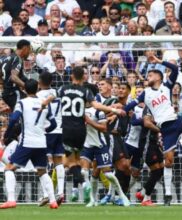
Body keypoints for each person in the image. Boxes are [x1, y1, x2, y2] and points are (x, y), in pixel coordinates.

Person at [41, 66, 124, 201]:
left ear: (72, 76)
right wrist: (114, 110)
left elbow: (50, 98)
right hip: (81, 130)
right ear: (84, 77)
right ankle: (82, 182)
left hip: (67, 129)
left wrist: (43, 105)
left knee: (67, 162)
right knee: (78, 160)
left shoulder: (63, 89)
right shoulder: (85, 91)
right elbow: (96, 105)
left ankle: (84, 183)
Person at [123, 54, 182, 206]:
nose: (148, 76)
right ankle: (167, 195)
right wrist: (119, 109)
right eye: (147, 74)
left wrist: (159, 61)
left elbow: (174, 68)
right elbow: (129, 106)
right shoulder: (145, 94)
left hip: (177, 121)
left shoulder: (166, 87)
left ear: (159, 78)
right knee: (168, 162)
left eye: (151, 74)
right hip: (166, 130)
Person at [0, 79, 58, 209]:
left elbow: (14, 118)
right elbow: (53, 125)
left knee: (9, 169)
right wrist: (44, 131)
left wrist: (7, 135)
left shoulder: (22, 103)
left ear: (24, 90)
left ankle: (11, 199)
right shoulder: (44, 104)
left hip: (27, 143)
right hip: (41, 143)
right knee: (42, 171)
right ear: (37, 88)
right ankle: (53, 201)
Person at [80, 104, 130, 207]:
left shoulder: (99, 111)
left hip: (100, 145)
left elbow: (103, 128)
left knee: (108, 174)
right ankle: (92, 199)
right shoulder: (78, 110)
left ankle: (122, 196)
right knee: (84, 172)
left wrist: (89, 121)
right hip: (87, 145)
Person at [36, 72, 65, 206]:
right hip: (59, 129)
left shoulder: (38, 96)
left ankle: (47, 194)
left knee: (43, 163)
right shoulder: (56, 92)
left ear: (40, 82)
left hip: (46, 131)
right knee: (59, 161)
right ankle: (61, 192)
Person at [1, 39, 30, 111]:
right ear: (25, 48)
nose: (29, 52)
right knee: (21, 112)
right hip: (13, 92)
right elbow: (13, 77)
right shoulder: (17, 58)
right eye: (29, 50)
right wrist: (27, 87)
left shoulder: (6, 58)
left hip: (5, 92)